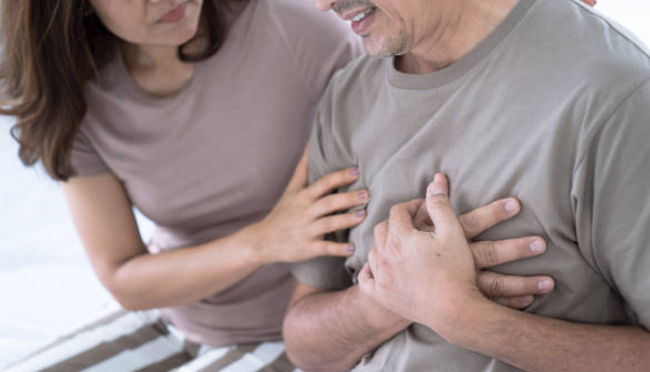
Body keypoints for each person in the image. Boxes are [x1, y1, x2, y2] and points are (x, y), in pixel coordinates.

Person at [0, 0, 549, 371]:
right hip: (178, 315)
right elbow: (123, 274)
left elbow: (415, 131)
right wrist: (264, 239)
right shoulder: (74, 94)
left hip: (312, 328)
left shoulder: (288, 26)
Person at [284, 0, 650, 371]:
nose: (321, 4)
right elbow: (305, 348)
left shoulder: (615, 95)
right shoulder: (347, 95)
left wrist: (463, 318)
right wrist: (389, 297)